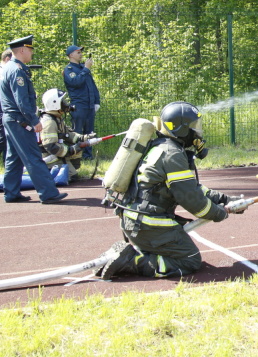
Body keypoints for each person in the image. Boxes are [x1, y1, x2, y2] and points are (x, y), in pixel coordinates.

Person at [97, 101, 239, 280]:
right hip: (147, 224)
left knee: (179, 251)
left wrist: (225, 200)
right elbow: (192, 200)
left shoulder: (162, 146)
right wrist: (219, 213)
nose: (197, 132)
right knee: (189, 260)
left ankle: (134, 252)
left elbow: (192, 188)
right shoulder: (172, 155)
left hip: (136, 221)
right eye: (193, 126)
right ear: (181, 129)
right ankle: (132, 261)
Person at [0, 35, 68, 204]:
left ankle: (11, 192)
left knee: (13, 158)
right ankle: (48, 192)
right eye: (30, 49)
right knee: (33, 156)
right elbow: (21, 101)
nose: (32, 53)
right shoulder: (17, 71)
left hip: (11, 119)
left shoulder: (8, 68)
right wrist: (34, 120)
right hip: (19, 119)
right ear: (22, 50)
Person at [39, 88, 95, 181]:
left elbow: (67, 134)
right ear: (55, 103)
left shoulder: (56, 118)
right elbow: (51, 147)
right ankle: (49, 173)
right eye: (62, 102)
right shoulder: (49, 122)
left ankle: (68, 167)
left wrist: (84, 138)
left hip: (54, 154)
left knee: (78, 149)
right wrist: (71, 150)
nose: (66, 104)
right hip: (47, 159)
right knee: (71, 176)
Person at [63, 45, 100, 160]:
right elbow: (75, 82)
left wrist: (96, 101)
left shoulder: (83, 68)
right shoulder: (69, 70)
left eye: (80, 52)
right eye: (78, 52)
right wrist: (86, 69)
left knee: (90, 132)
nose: (81, 54)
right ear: (71, 55)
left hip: (89, 105)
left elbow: (92, 86)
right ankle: (75, 156)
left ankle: (88, 157)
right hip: (79, 105)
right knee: (77, 132)